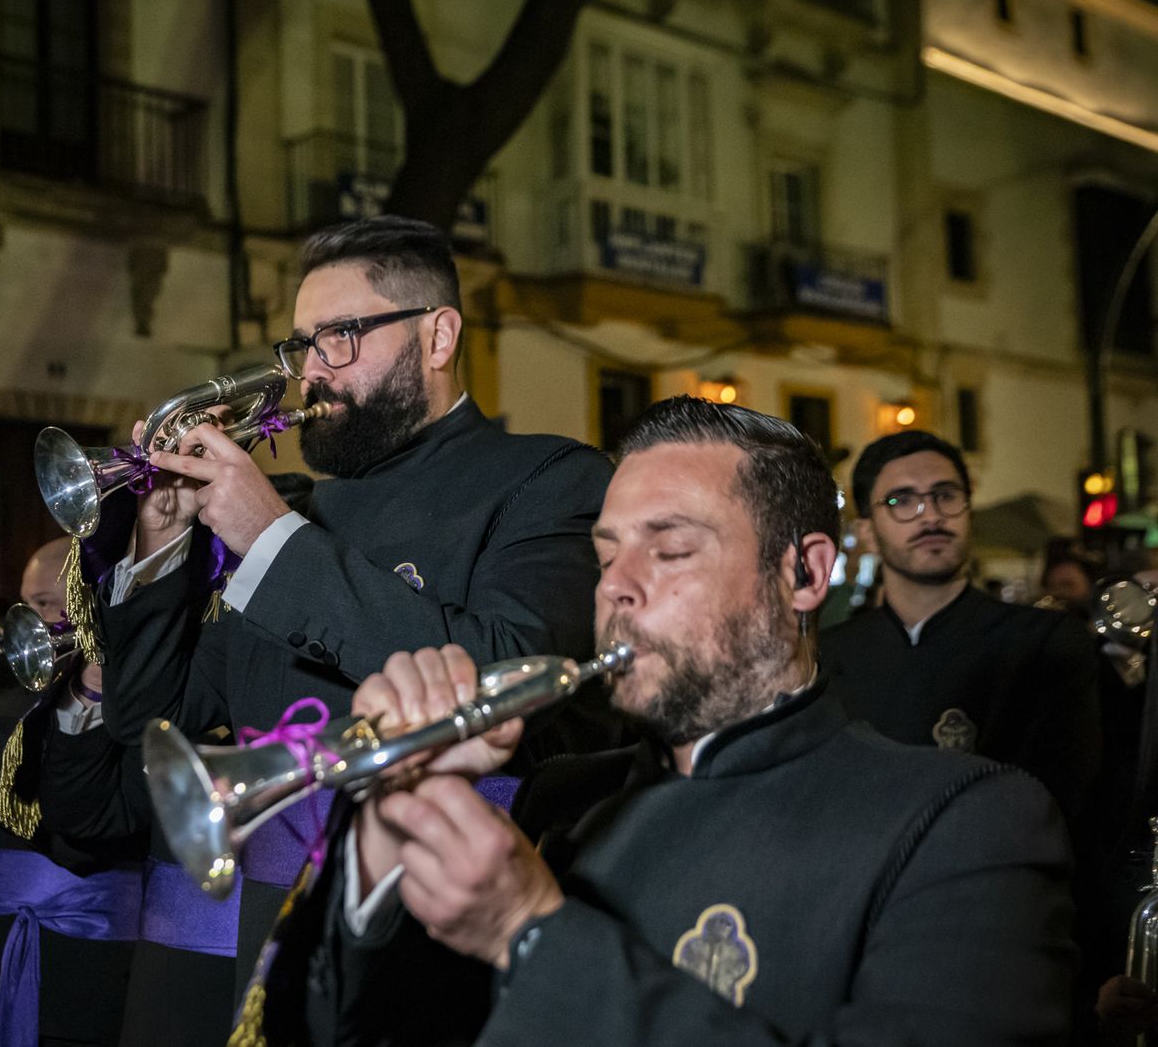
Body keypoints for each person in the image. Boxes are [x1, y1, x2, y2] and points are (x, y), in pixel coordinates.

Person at [252, 397, 1076, 1046]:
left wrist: (533, 936)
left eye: (670, 550)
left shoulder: (969, 820)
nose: (615, 588)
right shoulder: (561, 803)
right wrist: (394, 833)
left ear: (804, 572)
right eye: (607, 556)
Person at [94, 215, 622, 1012]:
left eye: (340, 335)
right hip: (247, 919)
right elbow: (151, 719)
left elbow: (511, 673)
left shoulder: (549, 477)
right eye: (301, 345)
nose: (311, 371)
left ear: (438, 336)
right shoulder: (305, 510)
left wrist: (269, 538)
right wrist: (160, 546)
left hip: (420, 924)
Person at [0, 534, 149, 1046]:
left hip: (73, 973)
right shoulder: (4, 694)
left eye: (45, 605)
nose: (28, 624)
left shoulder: (136, 699)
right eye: (26, 604)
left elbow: (79, 829)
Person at [820, 431, 1101, 817]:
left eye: (945, 496)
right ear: (867, 531)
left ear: (968, 511)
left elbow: (1070, 803)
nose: (931, 515)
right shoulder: (828, 657)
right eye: (902, 500)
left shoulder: (1046, 645)